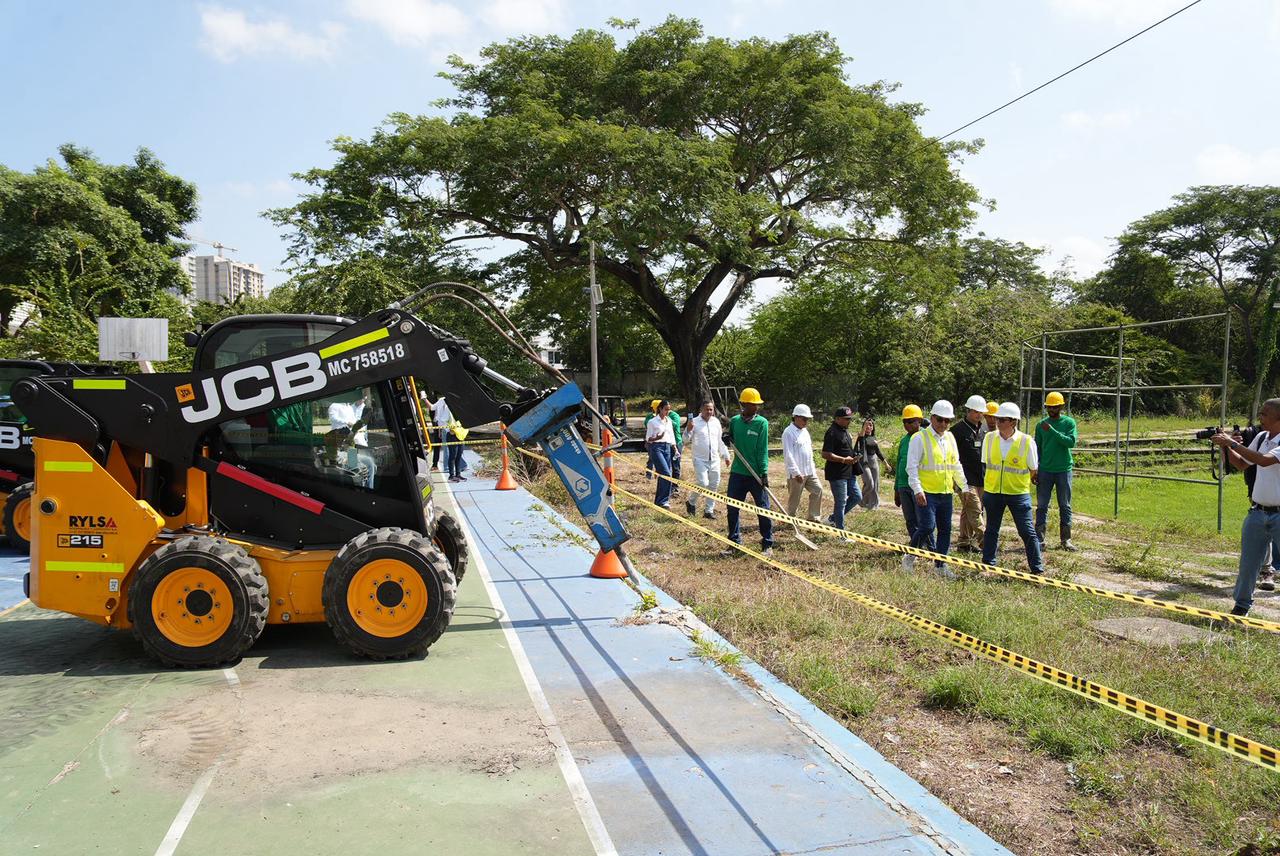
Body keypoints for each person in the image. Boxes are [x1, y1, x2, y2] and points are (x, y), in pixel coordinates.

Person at [1211, 400, 1280, 616]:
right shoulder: (1261, 437)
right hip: (1257, 512)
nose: (1260, 416)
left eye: (1265, 413)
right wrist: (1226, 446)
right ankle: (1241, 607)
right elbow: (1242, 464)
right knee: (1248, 564)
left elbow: (1262, 460)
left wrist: (1232, 442)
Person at [981, 402, 1044, 575]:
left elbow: (1033, 468)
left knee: (1027, 532)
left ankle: (1037, 570)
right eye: (997, 418)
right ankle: (988, 565)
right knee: (991, 530)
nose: (998, 422)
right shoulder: (989, 438)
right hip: (993, 492)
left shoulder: (1026, 441)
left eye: (1002, 419)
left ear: (1013, 422)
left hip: (1018, 494)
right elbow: (986, 464)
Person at [906, 399, 967, 575]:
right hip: (927, 492)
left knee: (945, 529)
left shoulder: (950, 438)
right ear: (932, 418)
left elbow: (956, 464)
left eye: (947, 421)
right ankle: (910, 557)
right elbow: (912, 467)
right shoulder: (919, 438)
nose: (943, 424)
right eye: (940, 419)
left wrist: (964, 486)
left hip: (946, 492)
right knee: (927, 527)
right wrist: (917, 489)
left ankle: (940, 565)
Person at [724, 387, 774, 555]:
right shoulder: (735, 421)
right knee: (732, 507)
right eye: (753, 404)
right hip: (738, 472)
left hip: (756, 474)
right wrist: (725, 438)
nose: (756, 407)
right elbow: (730, 438)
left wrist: (764, 473)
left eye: (757, 404)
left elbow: (762, 450)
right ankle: (734, 543)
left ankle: (767, 544)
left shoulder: (762, 423)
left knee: (763, 508)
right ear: (744, 404)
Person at [1034, 391, 1079, 551]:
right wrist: (1035, 469)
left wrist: (1052, 430)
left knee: (1065, 505)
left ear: (1061, 406)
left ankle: (1065, 539)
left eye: (1055, 407)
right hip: (1045, 470)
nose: (1052, 410)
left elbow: (1070, 442)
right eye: (1049, 407)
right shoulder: (1040, 425)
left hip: (1063, 470)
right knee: (1042, 505)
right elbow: (1037, 449)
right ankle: (1039, 539)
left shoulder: (1069, 423)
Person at [951, 395, 988, 553]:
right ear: (968, 411)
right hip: (964, 479)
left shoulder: (984, 430)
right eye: (976, 412)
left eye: (981, 412)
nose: (979, 415)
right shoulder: (957, 431)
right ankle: (985, 539)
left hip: (981, 477)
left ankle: (964, 542)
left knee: (968, 510)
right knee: (975, 509)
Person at [685, 399, 731, 519]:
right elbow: (685, 440)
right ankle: (691, 501)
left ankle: (708, 511)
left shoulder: (716, 422)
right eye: (707, 409)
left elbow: (720, 440)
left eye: (711, 409)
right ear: (701, 410)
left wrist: (726, 455)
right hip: (699, 459)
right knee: (702, 483)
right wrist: (688, 429)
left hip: (715, 459)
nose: (709, 411)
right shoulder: (694, 422)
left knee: (713, 485)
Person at [821, 406, 861, 530]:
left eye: (850, 419)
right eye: (846, 419)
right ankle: (841, 534)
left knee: (857, 497)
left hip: (849, 472)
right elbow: (825, 454)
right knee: (841, 502)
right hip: (837, 474)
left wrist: (855, 457)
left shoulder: (845, 431)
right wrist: (844, 460)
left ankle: (833, 519)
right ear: (837, 419)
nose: (849, 421)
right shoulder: (832, 432)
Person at [329, 389, 377, 488]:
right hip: (340, 444)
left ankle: (370, 489)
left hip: (350, 442)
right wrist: (346, 422)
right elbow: (333, 418)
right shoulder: (334, 405)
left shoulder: (349, 407)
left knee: (370, 463)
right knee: (357, 466)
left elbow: (354, 420)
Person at [783, 404, 823, 522]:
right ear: (796, 417)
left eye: (808, 420)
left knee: (818, 490)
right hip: (797, 473)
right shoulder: (788, 432)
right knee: (794, 499)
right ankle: (790, 519)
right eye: (804, 419)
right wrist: (796, 473)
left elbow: (809, 451)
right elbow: (788, 454)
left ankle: (813, 518)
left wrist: (813, 469)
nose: (806, 422)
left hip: (809, 471)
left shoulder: (805, 431)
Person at [889, 405, 923, 539]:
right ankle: (915, 545)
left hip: (918, 487)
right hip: (903, 486)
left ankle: (927, 547)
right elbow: (899, 465)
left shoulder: (924, 438)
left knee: (923, 520)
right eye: (905, 422)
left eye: (910, 421)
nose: (907, 425)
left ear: (919, 421)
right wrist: (896, 489)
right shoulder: (903, 441)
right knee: (910, 519)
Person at [645, 399, 677, 508]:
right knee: (665, 473)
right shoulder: (652, 422)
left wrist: (675, 448)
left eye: (669, 409)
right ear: (660, 409)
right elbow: (648, 439)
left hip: (667, 447)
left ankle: (660, 500)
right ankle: (663, 501)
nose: (667, 412)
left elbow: (671, 436)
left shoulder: (669, 421)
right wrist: (656, 438)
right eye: (666, 409)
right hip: (656, 447)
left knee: (666, 475)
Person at [856, 417, 887, 510]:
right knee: (869, 483)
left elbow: (878, 452)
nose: (869, 426)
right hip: (864, 462)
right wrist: (864, 427)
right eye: (867, 425)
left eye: (871, 425)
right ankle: (861, 501)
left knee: (875, 485)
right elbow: (861, 436)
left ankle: (873, 505)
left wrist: (886, 464)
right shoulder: (861, 437)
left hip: (874, 462)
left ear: (873, 427)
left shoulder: (874, 438)